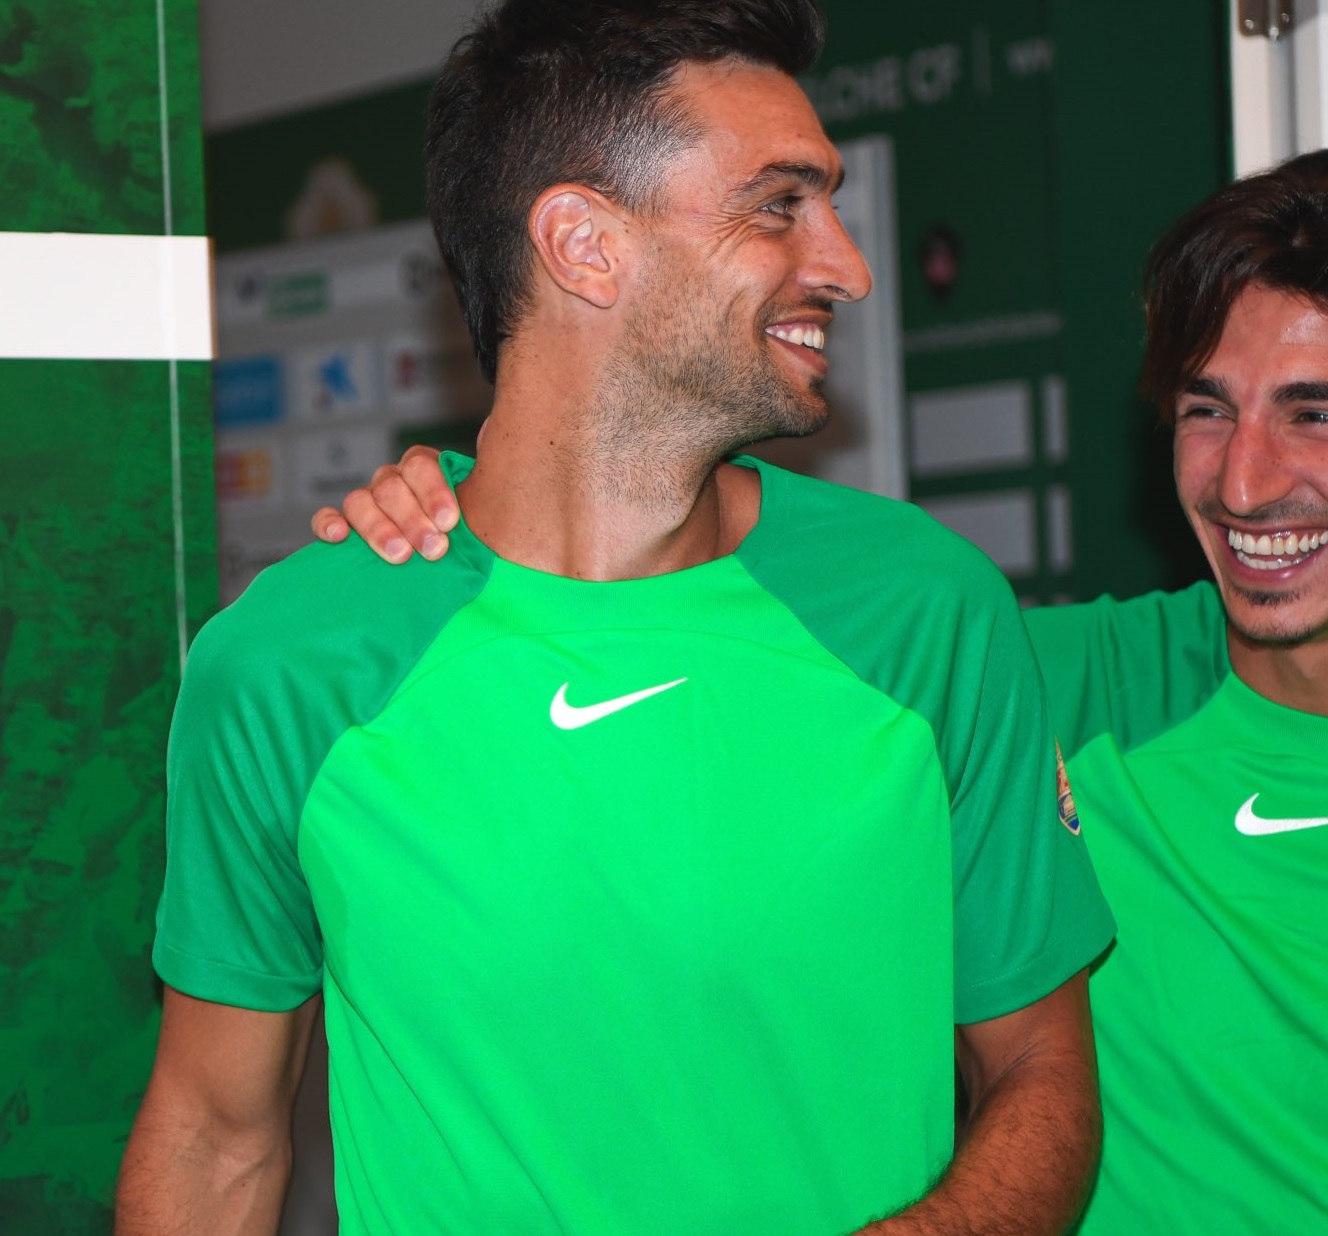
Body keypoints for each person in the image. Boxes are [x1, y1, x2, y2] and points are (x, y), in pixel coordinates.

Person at [317, 144, 1328, 1233]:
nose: (1245, 480)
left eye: (1319, 416)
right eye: (1208, 409)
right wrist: (458, 510)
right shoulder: (1029, 679)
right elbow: (672, 611)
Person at [118, 2, 1114, 1233]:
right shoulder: (293, 664)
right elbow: (216, 1142)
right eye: (780, 205)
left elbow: (1043, 1073)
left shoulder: (924, 608)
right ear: (584, 245)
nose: (847, 264)